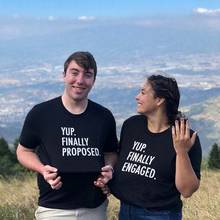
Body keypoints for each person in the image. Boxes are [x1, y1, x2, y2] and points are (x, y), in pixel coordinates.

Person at [16, 51, 118, 220]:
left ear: (93, 80)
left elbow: (110, 153)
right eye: (74, 72)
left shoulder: (104, 117)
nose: (80, 80)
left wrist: (109, 169)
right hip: (54, 209)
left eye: (87, 75)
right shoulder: (41, 113)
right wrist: (42, 169)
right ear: (64, 75)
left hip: (95, 209)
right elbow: (23, 151)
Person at [110, 74, 202, 220]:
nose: (137, 97)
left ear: (159, 100)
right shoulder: (131, 126)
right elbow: (121, 164)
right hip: (125, 210)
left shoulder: (184, 137)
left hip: (160, 215)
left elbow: (187, 190)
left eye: (143, 92)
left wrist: (182, 152)